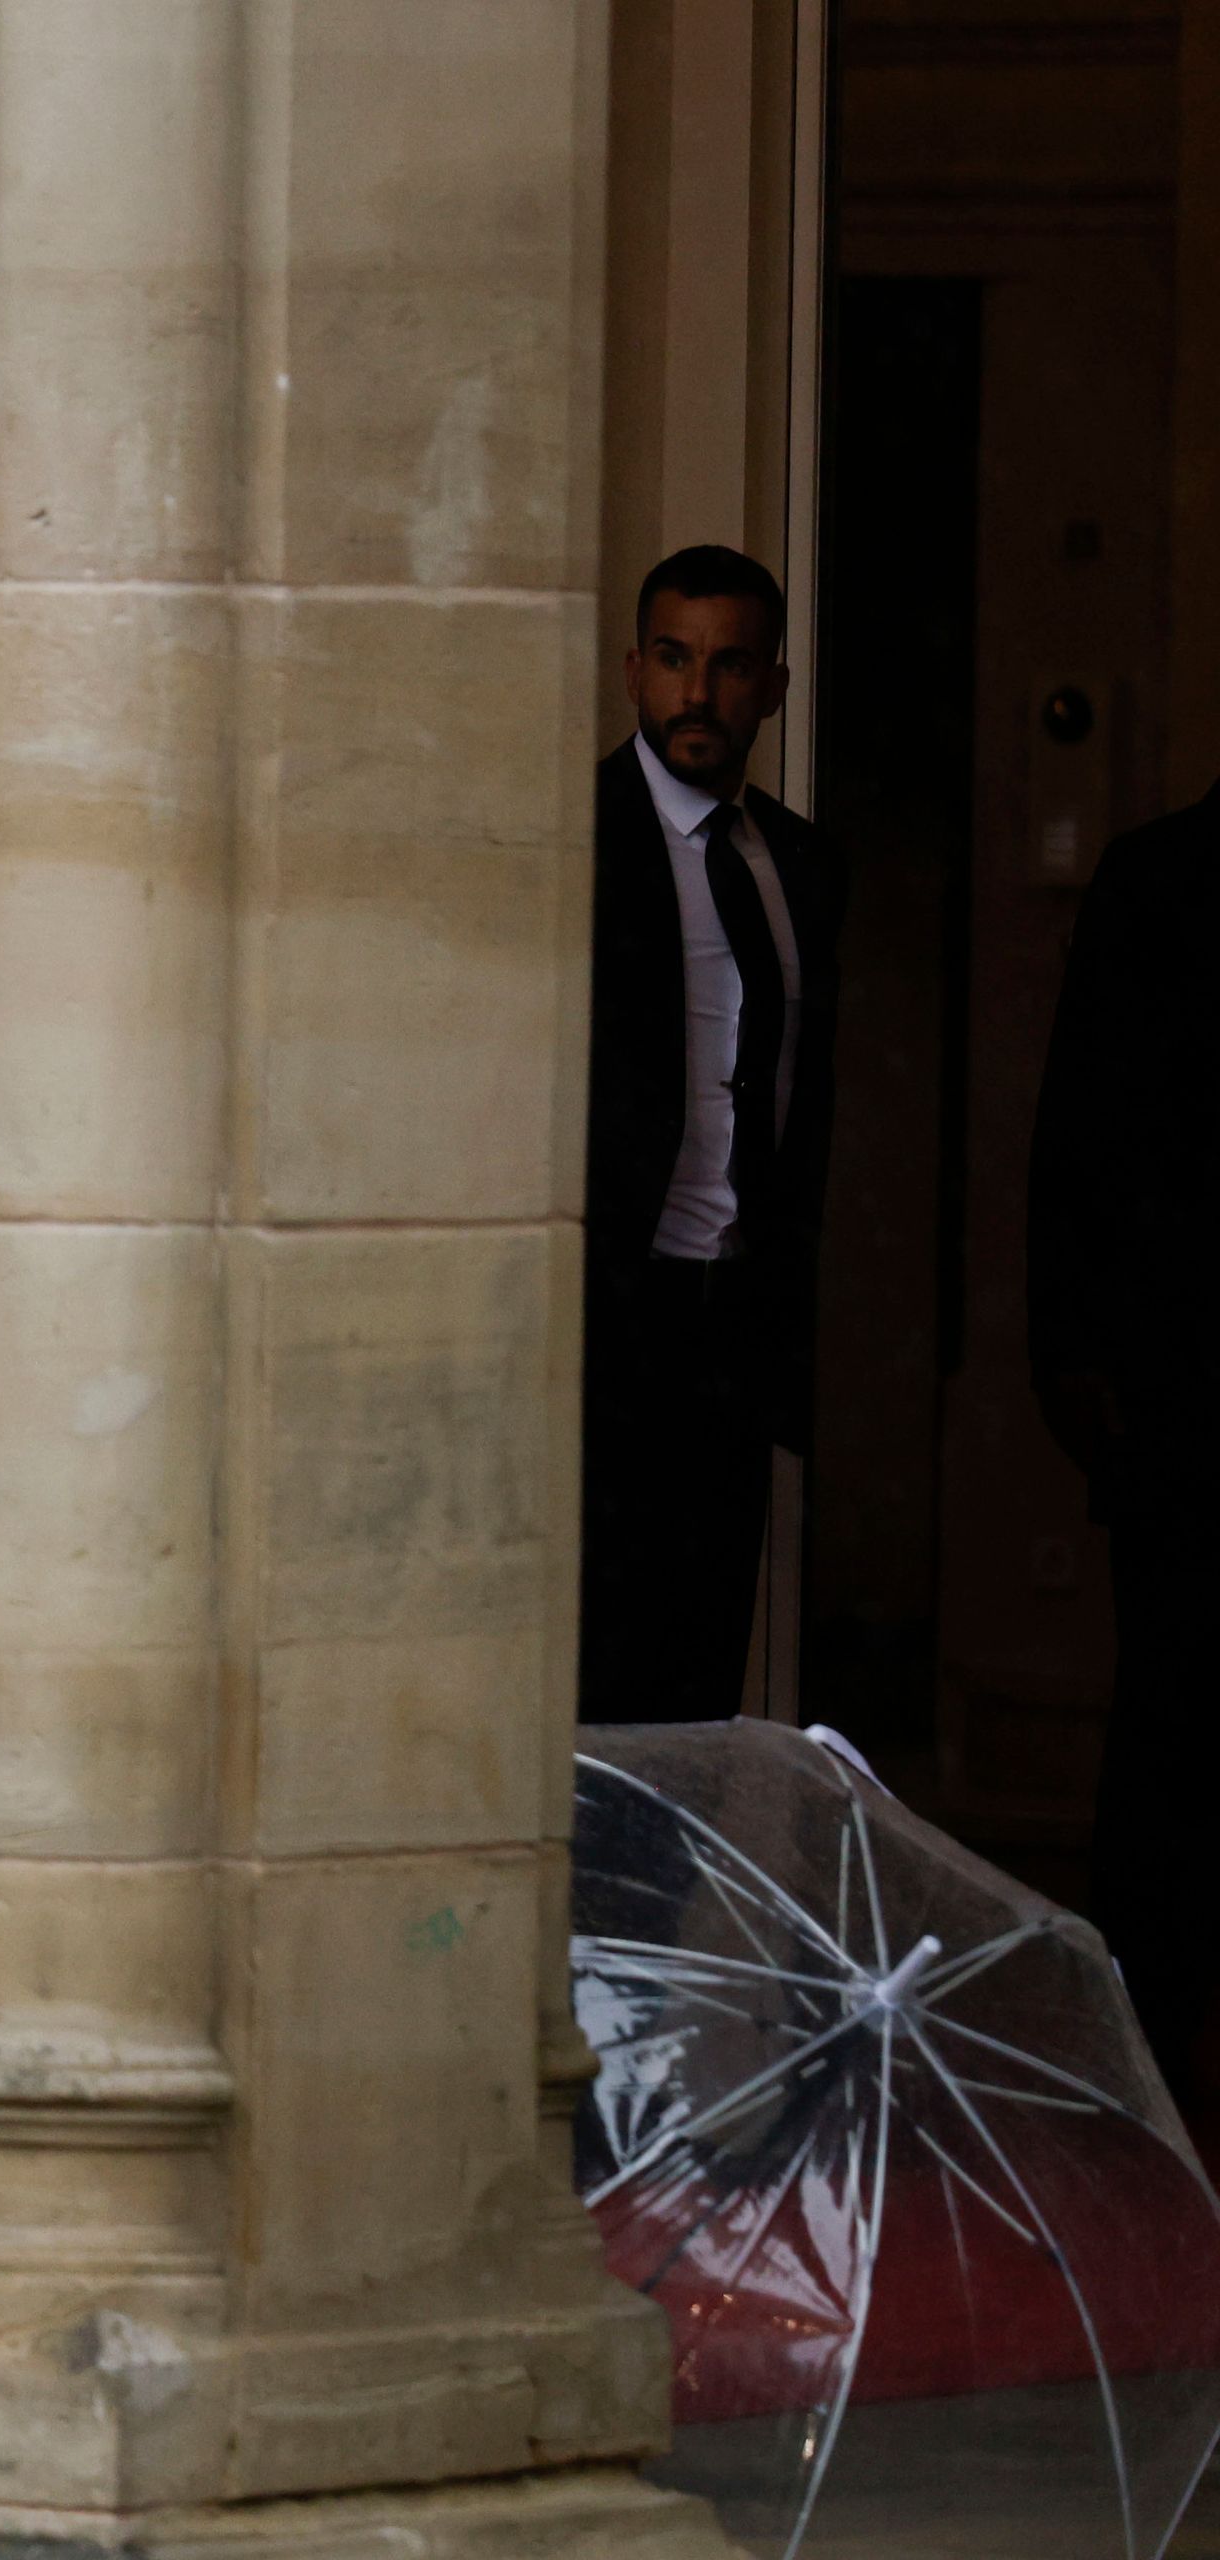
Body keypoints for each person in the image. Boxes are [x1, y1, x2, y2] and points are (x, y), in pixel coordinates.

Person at [578, 545, 846, 1724]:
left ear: (772, 688)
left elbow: (807, 1110)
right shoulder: (570, 840)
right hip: (604, 1334)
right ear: (635, 671)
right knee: (590, 1693)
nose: (698, 694)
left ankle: (671, 1914)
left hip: (732, 1337)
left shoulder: (800, 864)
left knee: (702, 1686)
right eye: (676, 660)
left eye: (730, 665)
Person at [1030, 778, 1220, 2100]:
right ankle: (1138, 2051)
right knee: (1170, 1723)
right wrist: (1077, 1369)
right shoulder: (1155, 881)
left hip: (1168, 1387)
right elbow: (1081, 1141)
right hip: (1183, 1392)